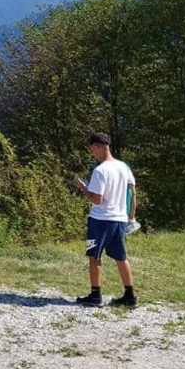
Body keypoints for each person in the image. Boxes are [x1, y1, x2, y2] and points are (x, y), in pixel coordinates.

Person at [73, 132, 137, 308]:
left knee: (94, 255)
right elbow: (132, 190)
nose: (93, 154)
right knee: (121, 257)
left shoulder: (100, 171)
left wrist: (83, 188)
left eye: (92, 150)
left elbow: (97, 199)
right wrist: (131, 215)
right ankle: (130, 296)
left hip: (101, 219)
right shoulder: (123, 167)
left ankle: (95, 295)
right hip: (120, 218)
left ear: (97, 147)